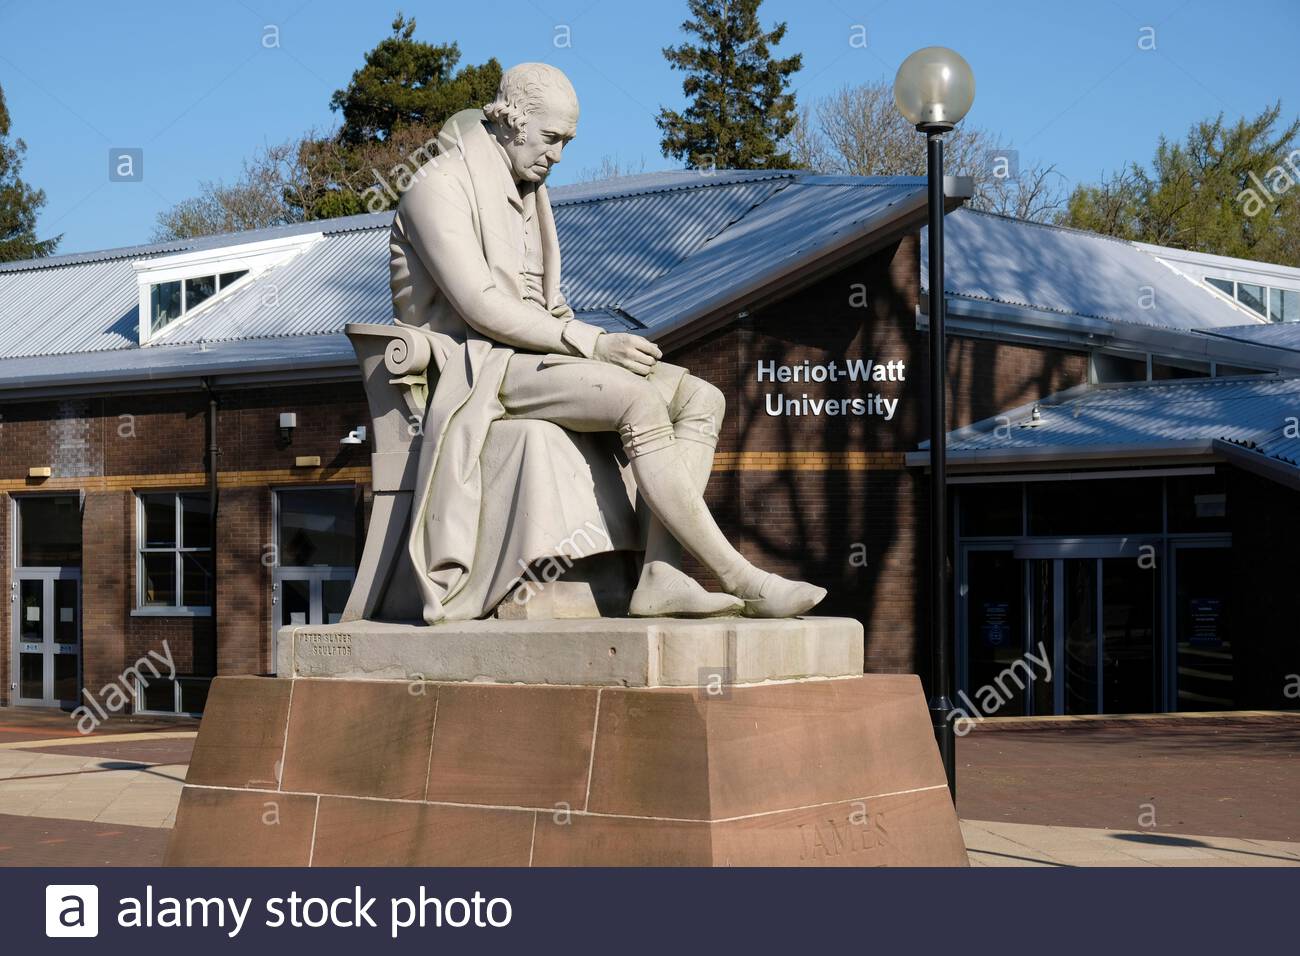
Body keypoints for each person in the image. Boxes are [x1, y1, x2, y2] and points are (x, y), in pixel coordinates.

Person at [390, 62, 825, 620]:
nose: (557, 156)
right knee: (638, 401)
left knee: (701, 398)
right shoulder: (437, 185)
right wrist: (593, 344)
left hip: (536, 356)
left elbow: (544, 302)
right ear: (510, 121)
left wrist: (596, 341)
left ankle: (661, 575)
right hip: (476, 367)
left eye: (567, 142)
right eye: (550, 139)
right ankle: (742, 578)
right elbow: (480, 306)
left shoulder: (529, 191)